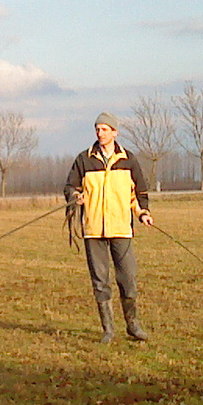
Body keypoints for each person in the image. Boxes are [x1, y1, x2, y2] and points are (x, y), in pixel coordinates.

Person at [65, 112, 152, 342]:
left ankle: (133, 326)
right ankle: (108, 330)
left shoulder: (129, 159)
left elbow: (139, 192)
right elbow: (70, 186)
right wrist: (76, 196)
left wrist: (143, 213)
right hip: (93, 231)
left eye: (104, 129)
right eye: (97, 129)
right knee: (100, 282)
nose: (99, 133)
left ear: (115, 132)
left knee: (128, 279)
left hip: (122, 229)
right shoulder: (84, 159)